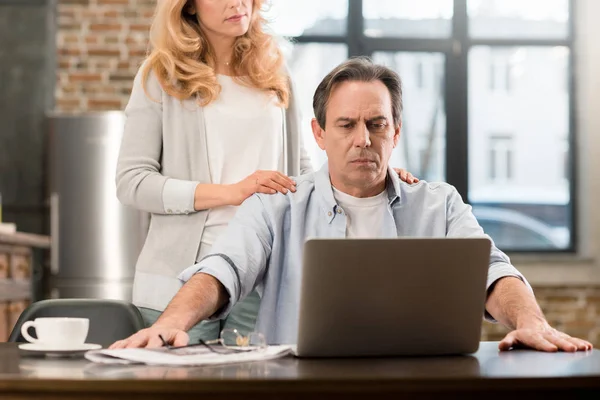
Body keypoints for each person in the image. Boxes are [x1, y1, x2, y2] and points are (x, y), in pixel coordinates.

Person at [112, 57, 591, 353]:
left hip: (422, 386)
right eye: (346, 125)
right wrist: (174, 320)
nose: (363, 139)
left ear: (395, 131)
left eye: (377, 124)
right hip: (301, 390)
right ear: (319, 134)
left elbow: (491, 270)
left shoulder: (439, 204)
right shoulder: (277, 207)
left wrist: (531, 321)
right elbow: (224, 268)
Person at [116, 1, 417, 343]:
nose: (238, 2)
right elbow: (132, 182)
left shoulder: (274, 70)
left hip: (265, 270)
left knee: (261, 385)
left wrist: (374, 176)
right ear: (188, 7)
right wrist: (232, 192)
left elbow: (302, 170)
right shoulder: (160, 76)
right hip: (182, 279)